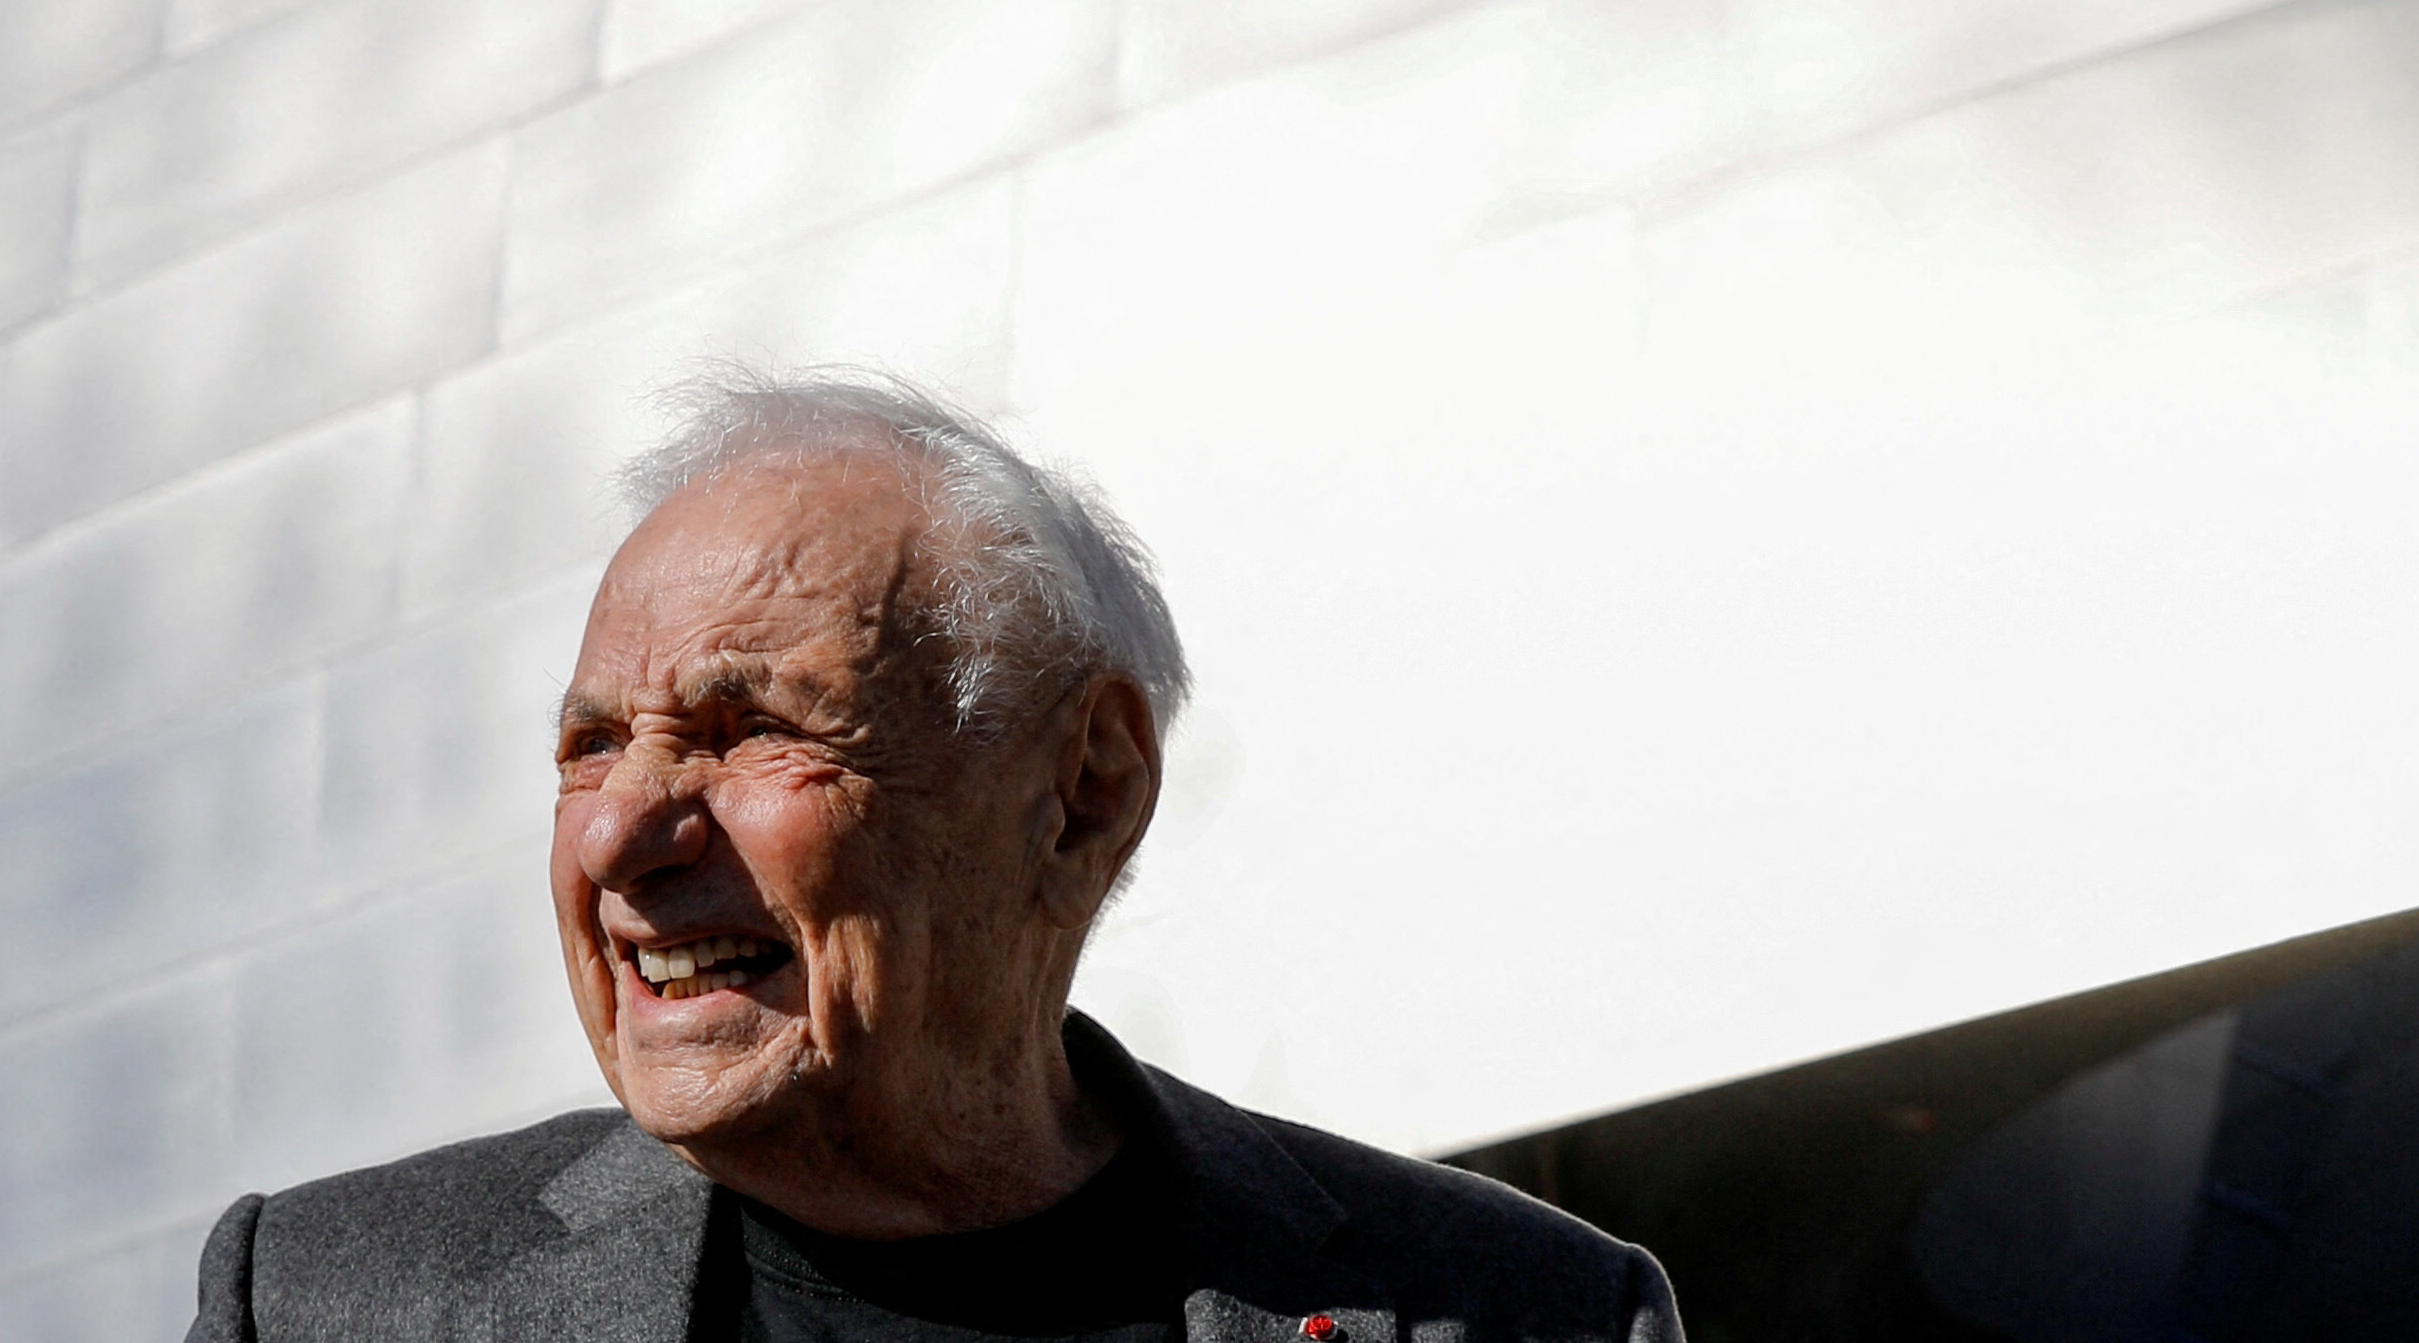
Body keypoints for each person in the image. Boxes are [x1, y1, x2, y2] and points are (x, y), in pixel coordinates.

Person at [187, 366, 1681, 1341]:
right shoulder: (334, 1300)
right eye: (588, 744)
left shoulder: (1530, 1313)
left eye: (747, 725)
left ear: (1083, 788)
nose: (613, 831)